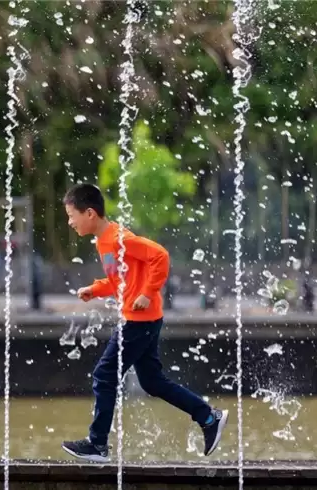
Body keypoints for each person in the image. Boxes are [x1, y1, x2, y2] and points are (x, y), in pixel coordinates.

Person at [60, 183, 228, 462]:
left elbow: (159, 255)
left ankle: (97, 444)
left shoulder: (118, 238)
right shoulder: (104, 241)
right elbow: (120, 280)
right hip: (142, 319)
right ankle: (208, 417)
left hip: (138, 320)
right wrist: (96, 289)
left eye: (71, 215)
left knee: (104, 375)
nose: (69, 222)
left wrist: (148, 294)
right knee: (152, 381)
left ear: (89, 213)